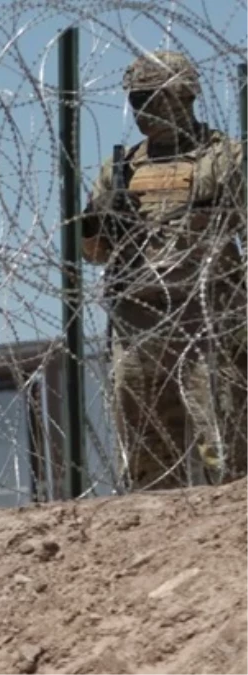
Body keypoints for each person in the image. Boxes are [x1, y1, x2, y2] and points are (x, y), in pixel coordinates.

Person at [80, 50, 247, 490]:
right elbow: (93, 252)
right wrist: (105, 219)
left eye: (152, 98)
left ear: (185, 96)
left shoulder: (225, 158)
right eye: (135, 100)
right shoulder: (122, 169)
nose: (142, 110)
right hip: (138, 319)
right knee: (146, 453)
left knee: (223, 445)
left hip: (205, 317)